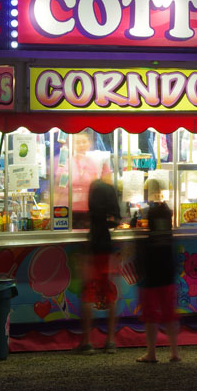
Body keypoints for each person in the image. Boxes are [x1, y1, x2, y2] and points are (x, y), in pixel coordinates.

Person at [72, 179, 120, 354]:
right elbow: (115, 221)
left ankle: (87, 342)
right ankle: (111, 341)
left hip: (93, 247)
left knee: (88, 294)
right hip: (106, 247)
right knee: (110, 293)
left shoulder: (94, 195)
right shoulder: (108, 193)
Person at [136, 179, 180, 363]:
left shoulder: (149, 213)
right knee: (169, 313)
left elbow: (139, 230)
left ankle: (152, 353)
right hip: (167, 267)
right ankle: (174, 353)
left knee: (151, 314)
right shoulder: (168, 211)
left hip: (151, 269)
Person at [68, 130, 113, 230]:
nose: (81, 145)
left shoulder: (95, 162)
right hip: (71, 210)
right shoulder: (68, 163)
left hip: (90, 210)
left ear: (89, 144)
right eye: (78, 142)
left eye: (84, 142)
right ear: (72, 144)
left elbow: (107, 184)